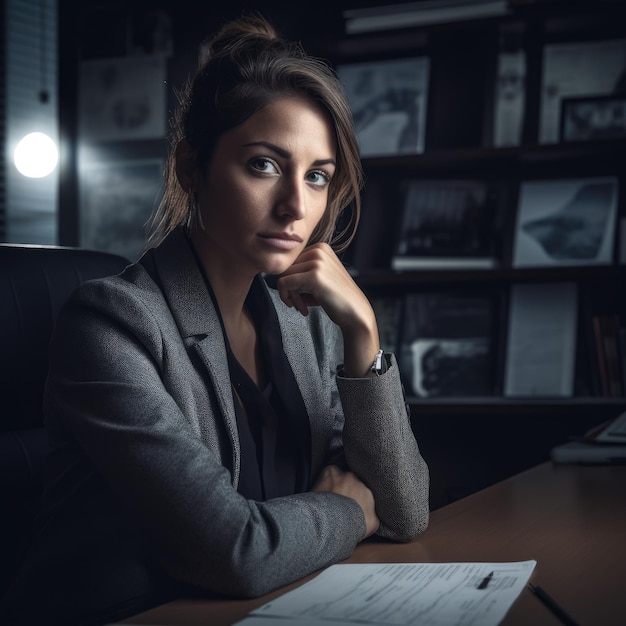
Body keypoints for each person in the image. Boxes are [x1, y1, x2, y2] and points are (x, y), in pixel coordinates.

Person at [0, 13, 429, 626]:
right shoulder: (110, 324)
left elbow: (406, 510)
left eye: (316, 176)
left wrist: (363, 336)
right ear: (191, 168)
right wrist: (352, 513)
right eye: (263, 164)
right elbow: (234, 552)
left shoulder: (307, 319)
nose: (296, 205)